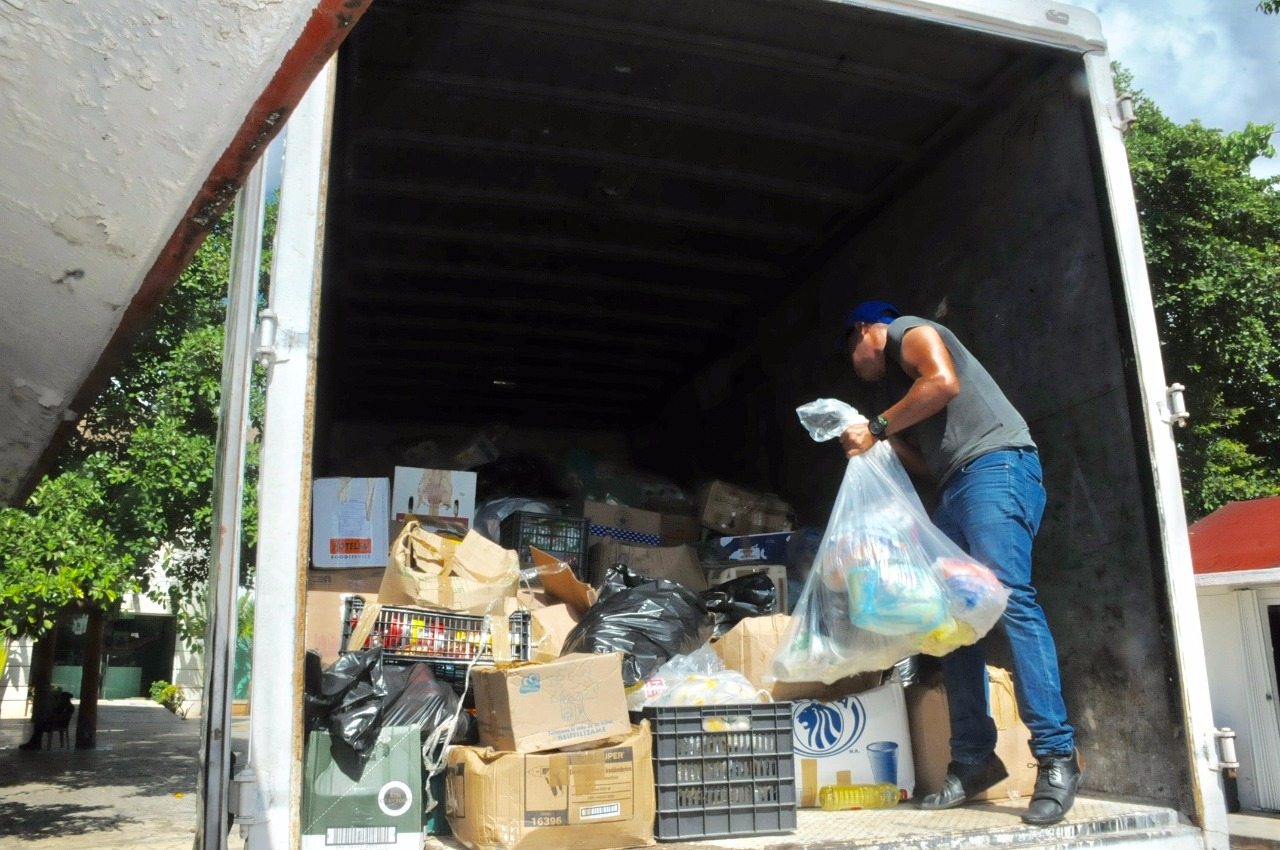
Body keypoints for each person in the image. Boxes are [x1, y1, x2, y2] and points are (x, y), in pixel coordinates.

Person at [839, 299, 1081, 826]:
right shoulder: (906, 395)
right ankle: (973, 760)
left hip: (996, 467)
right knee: (950, 621)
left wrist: (877, 426)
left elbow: (943, 382)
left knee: (1010, 598)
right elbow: (928, 466)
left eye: (851, 353)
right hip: (956, 486)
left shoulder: (908, 332)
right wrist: (882, 442)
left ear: (864, 330)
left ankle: (1057, 756)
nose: (856, 367)